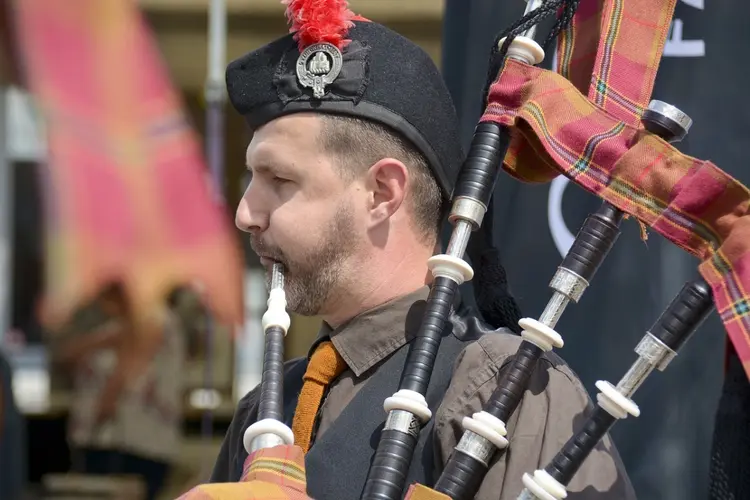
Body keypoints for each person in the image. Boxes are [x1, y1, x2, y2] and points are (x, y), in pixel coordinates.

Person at [210, 1, 636, 499]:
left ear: (383, 193)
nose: (245, 214)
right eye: (251, 179)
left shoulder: (502, 392)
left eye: (279, 179)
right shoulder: (265, 409)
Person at [52, 284, 186, 500]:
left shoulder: (157, 319)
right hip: (98, 444)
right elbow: (65, 356)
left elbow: (123, 378)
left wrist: (101, 411)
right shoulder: (115, 327)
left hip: (135, 447)